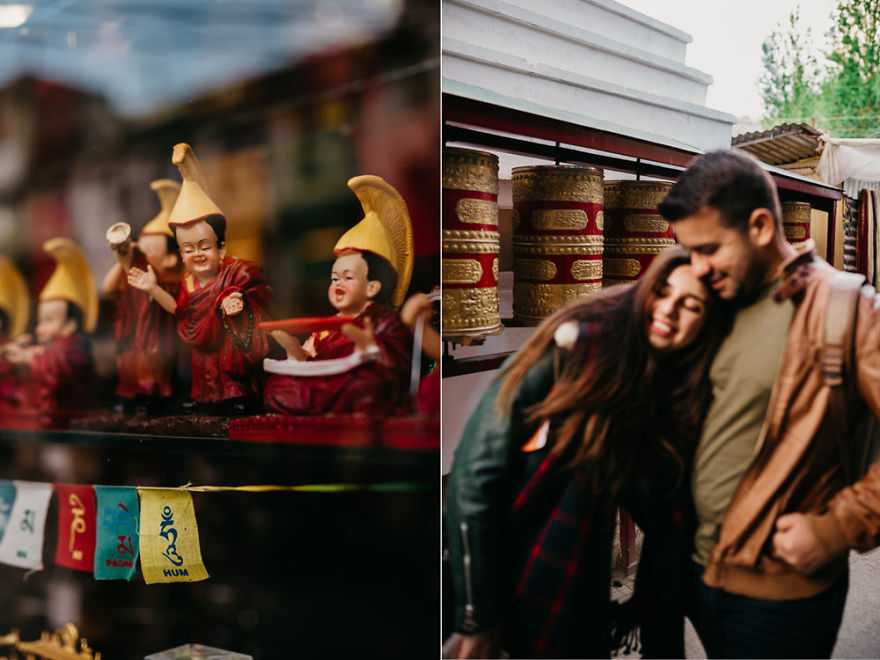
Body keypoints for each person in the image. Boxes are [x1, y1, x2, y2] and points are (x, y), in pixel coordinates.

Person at [444, 245, 729, 659]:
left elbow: (669, 524)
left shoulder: (674, 393)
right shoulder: (576, 344)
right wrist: (476, 616)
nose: (668, 310)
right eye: (663, 291)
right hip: (507, 560)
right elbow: (475, 474)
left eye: (691, 306)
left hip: (584, 590)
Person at [657, 148, 880, 658]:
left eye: (710, 248)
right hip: (697, 574)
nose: (698, 266)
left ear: (760, 226)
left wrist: (836, 527)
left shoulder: (846, 308)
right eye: (689, 251)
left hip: (782, 597)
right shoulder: (715, 300)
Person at [128, 143, 274, 415]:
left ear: (221, 249)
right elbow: (178, 309)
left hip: (227, 346)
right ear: (181, 253)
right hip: (202, 351)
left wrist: (239, 301)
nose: (197, 254)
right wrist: (153, 288)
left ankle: (237, 395)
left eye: (204, 246)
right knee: (202, 366)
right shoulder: (187, 283)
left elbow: (257, 295)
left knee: (228, 360)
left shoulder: (237, 273)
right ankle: (206, 398)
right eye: (188, 249)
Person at [262, 175, 413, 416]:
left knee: (365, 389)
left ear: (373, 287)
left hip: (354, 384)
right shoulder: (328, 325)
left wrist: (367, 345)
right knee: (276, 387)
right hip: (323, 383)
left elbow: (394, 370)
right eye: (334, 279)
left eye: (348, 278)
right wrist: (294, 352)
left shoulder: (385, 322)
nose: (338, 285)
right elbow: (310, 362)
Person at [102, 179, 182, 414]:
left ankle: (153, 398)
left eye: (150, 250)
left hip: (156, 337)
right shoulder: (132, 271)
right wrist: (123, 261)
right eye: (141, 247)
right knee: (129, 363)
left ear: (169, 259)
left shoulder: (168, 280)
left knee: (154, 366)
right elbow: (109, 289)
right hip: (133, 333)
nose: (142, 253)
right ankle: (130, 396)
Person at [5, 238, 97, 426]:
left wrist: (29, 357)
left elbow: (59, 362)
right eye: (40, 321)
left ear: (70, 325)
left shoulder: (76, 348)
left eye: (49, 321)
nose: (40, 329)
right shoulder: (48, 350)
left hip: (75, 418)